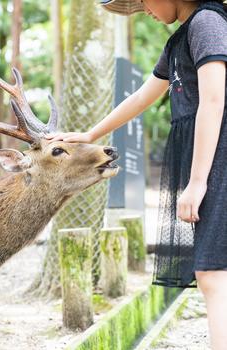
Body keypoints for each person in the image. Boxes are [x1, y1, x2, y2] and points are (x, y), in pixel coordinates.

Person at [47, 1, 227, 348]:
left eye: (144, 0)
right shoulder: (179, 39)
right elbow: (144, 95)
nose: (143, 8)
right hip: (211, 159)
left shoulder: (207, 22)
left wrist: (197, 181)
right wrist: (89, 135)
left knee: (213, 271)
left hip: (219, 159)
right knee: (213, 270)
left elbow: (214, 101)